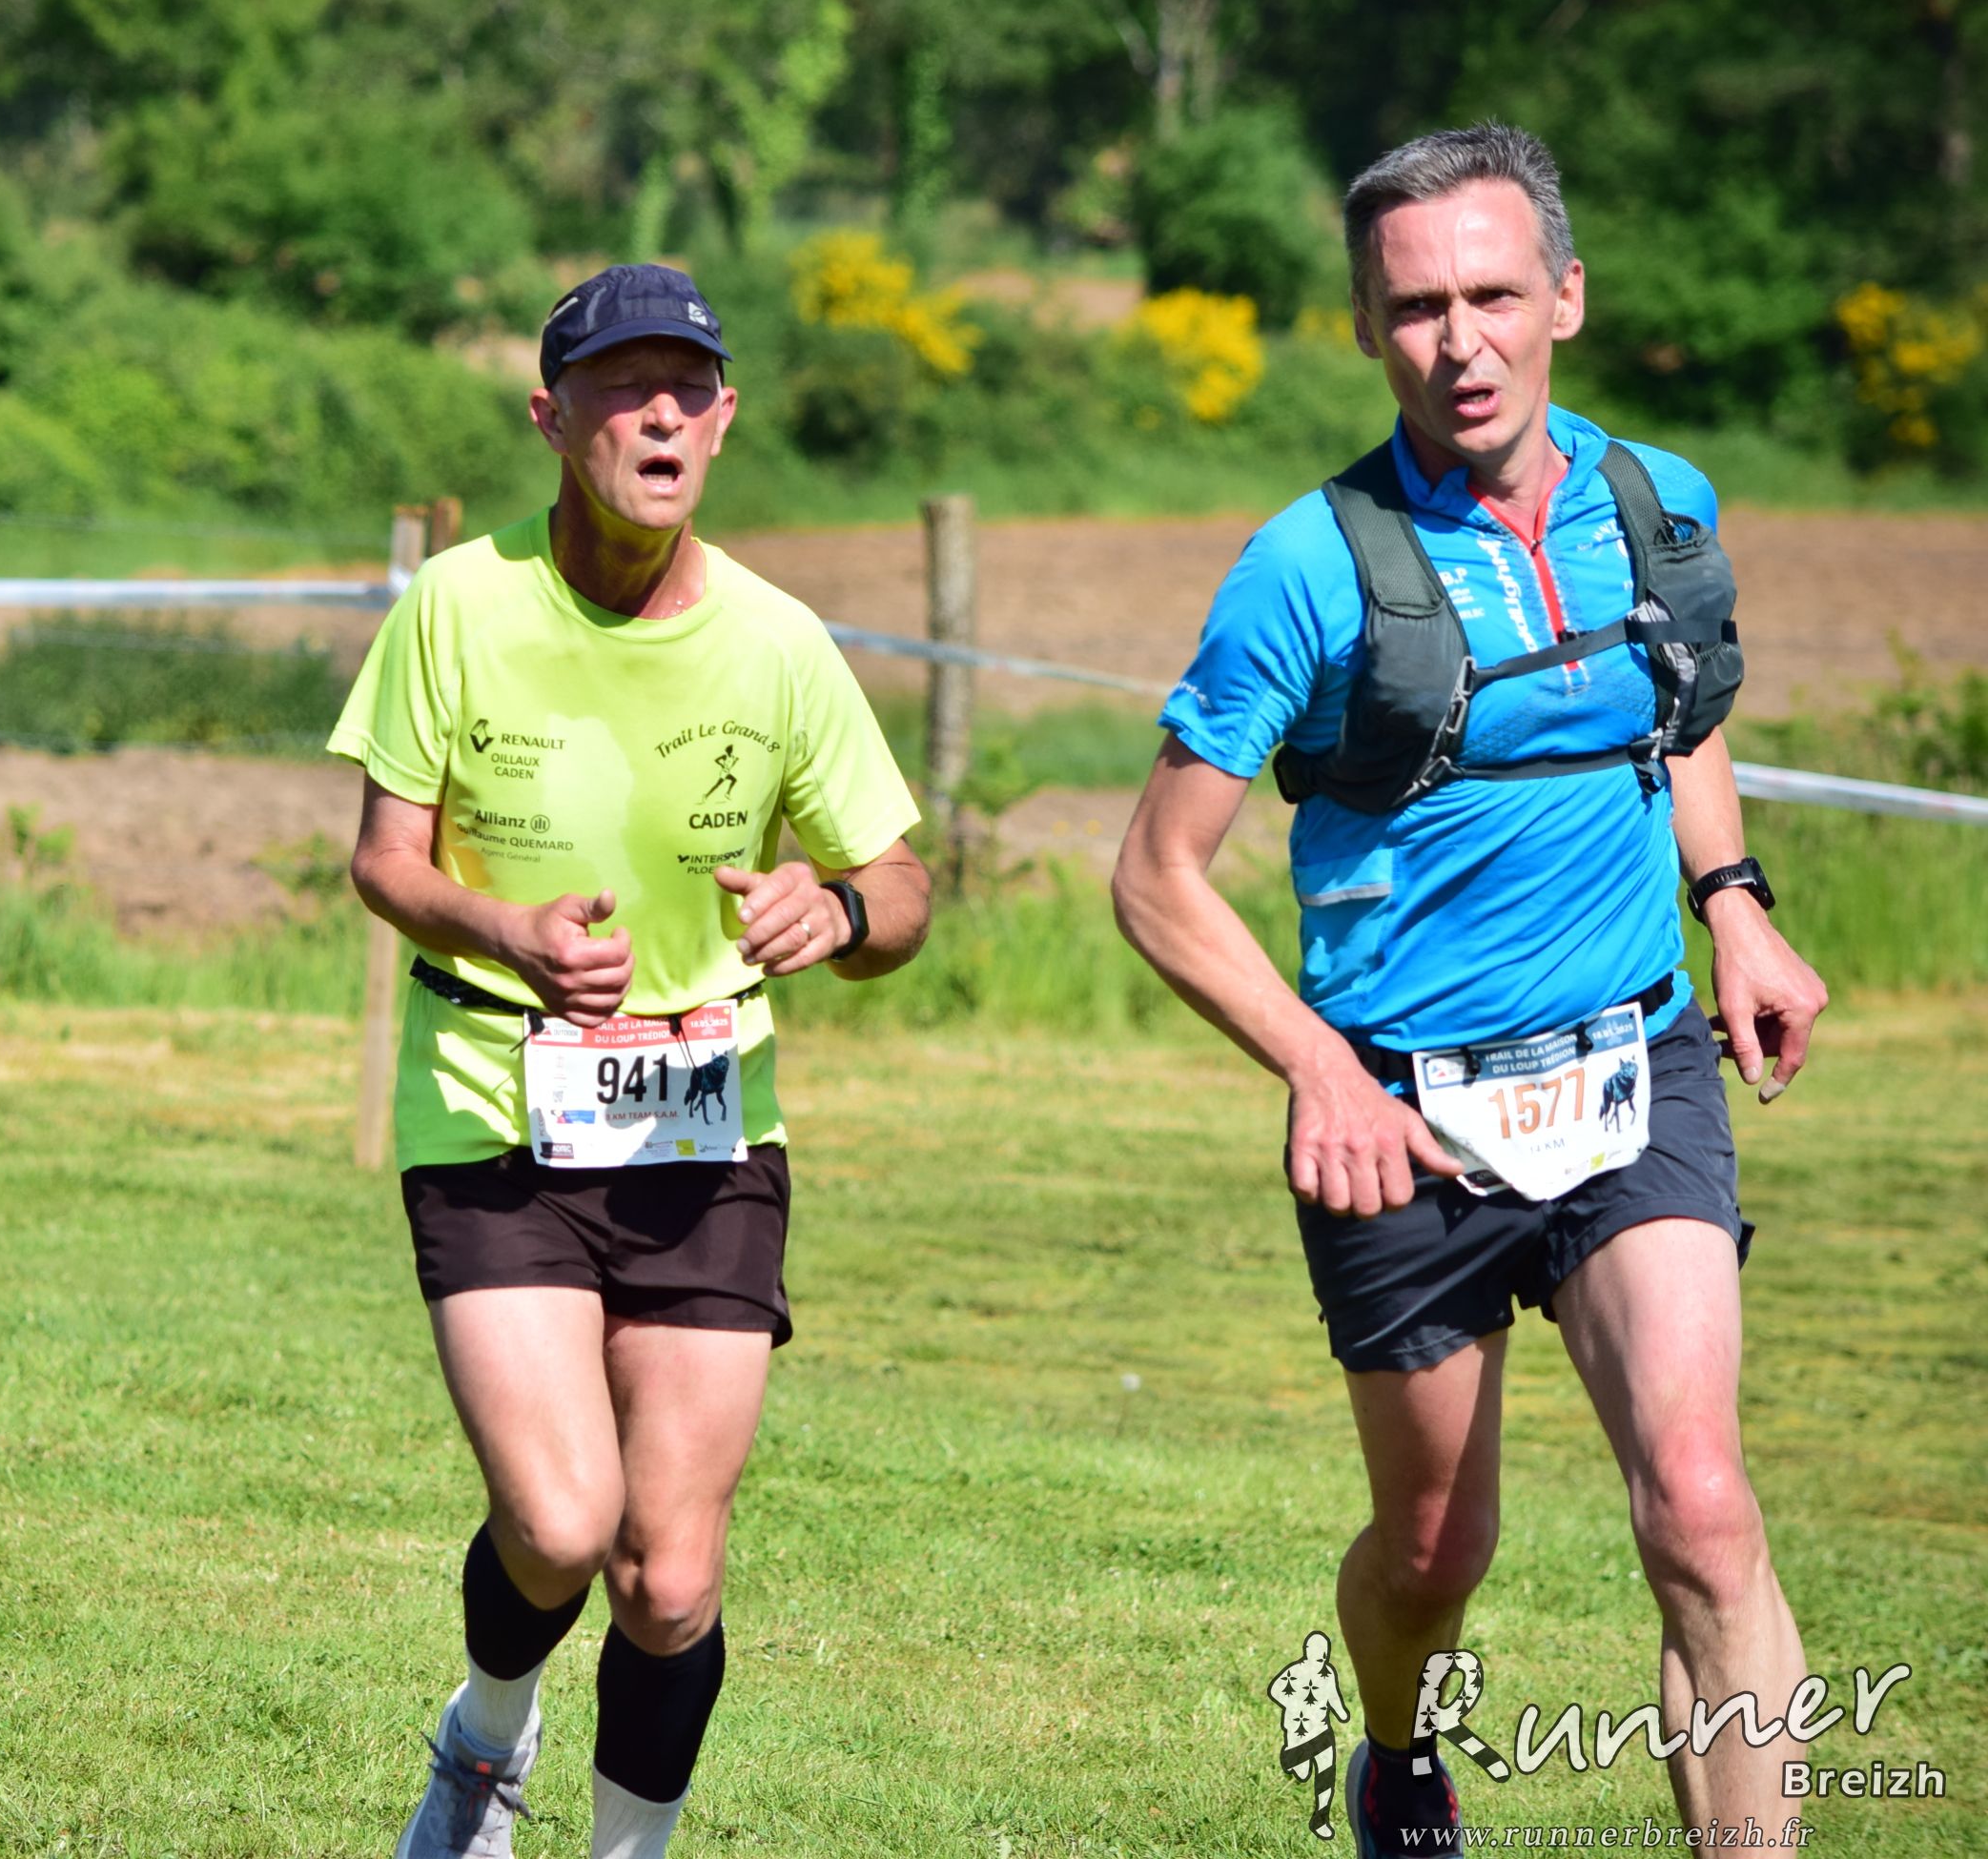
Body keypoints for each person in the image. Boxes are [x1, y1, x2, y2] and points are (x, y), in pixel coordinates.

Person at [1110, 125, 1828, 1855]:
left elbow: (1678, 710)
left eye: (1495, 295)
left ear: (1565, 296)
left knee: (1704, 1511)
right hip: (1404, 1117)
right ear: (1368, 327)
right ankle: (1397, 1749)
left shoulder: (1659, 504)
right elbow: (1156, 878)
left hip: (1634, 1063)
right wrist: (1318, 1071)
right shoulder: (1308, 565)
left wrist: (1732, 904)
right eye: (1418, 308)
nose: (1462, 342)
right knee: (1437, 1550)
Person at [333, 262, 931, 1859]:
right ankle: (485, 1737)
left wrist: (838, 907)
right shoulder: (458, 603)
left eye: (689, 389)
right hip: (493, 1105)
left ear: (724, 424)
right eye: (620, 385)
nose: (659, 414)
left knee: (669, 1577)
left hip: (705, 1130)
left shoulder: (780, 643)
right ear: (552, 417)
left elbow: (903, 889)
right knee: (557, 1523)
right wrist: (504, 930)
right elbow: (384, 861)